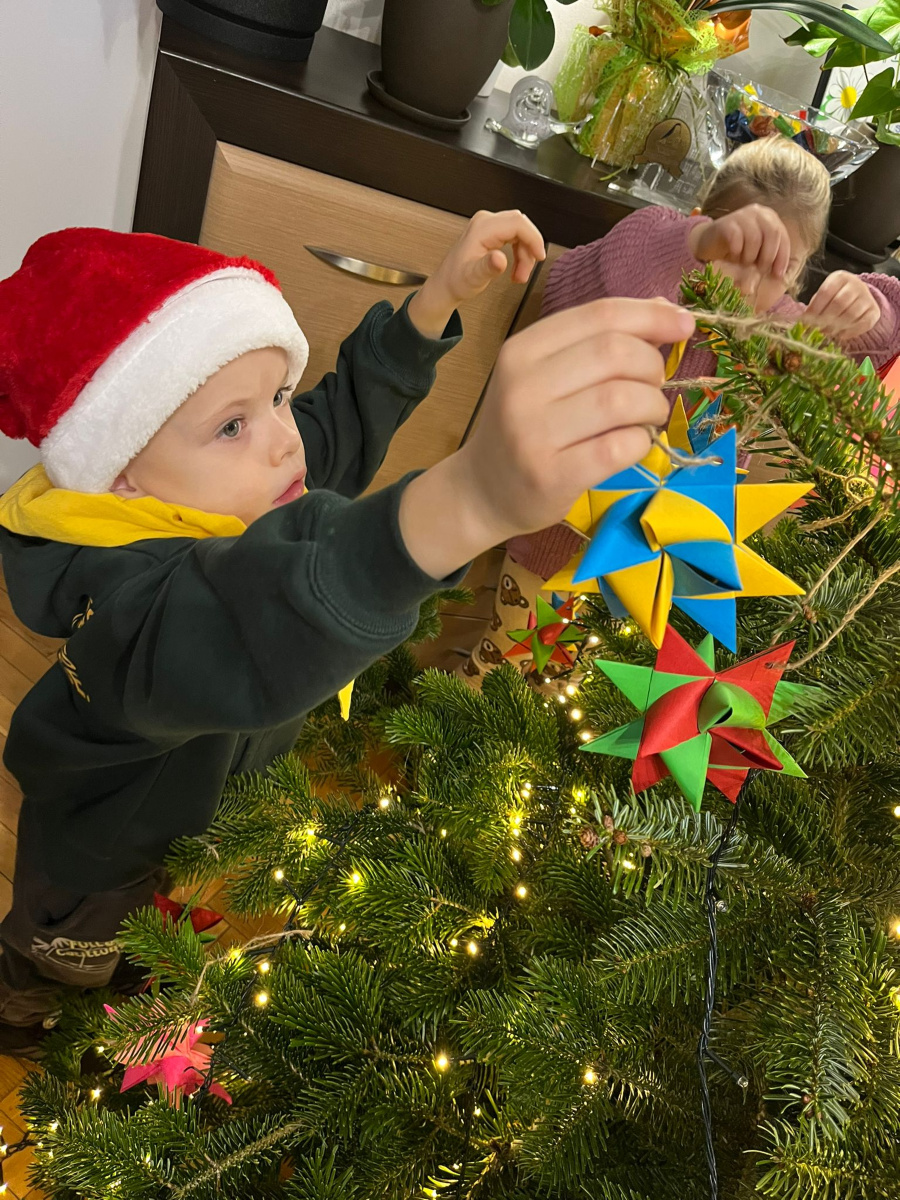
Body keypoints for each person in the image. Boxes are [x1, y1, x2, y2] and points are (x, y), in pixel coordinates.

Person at [0, 214, 694, 1055]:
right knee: (65, 974)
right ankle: (27, 1013)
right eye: (233, 425)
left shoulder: (241, 484)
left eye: (277, 398)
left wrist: (431, 306)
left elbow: (333, 430)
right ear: (124, 476)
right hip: (100, 866)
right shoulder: (127, 612)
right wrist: (466, 500)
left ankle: (136, 1001)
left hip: (206, 820)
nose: (283, 439)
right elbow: (247, 621)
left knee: (160, 957)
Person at [460, 137, 900, 686]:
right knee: (500, 676)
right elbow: (613, 263)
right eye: (736, 253)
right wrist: (700, 244)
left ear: (797, 277)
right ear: (697, 220)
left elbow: (875, 344)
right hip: (553, 544)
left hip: (661, 576)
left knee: (576, 708)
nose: (742, 283)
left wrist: (865, 305)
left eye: (775, 268)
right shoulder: (651, 266)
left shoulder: (780, 330)